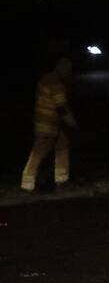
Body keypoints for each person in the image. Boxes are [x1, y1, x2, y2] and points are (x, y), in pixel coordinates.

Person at [21, 58, 78, 191]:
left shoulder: (46, 78)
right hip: (49, 124)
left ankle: (61, 180)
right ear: (63, 69)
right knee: (39, 152)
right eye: (68, 70)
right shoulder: (57, 84)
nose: (69, 73)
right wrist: (72, 122)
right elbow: (61, 107)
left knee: (62, 147)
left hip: (47, 122)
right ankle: (27, 185)